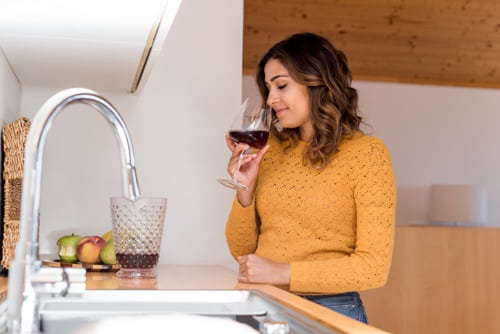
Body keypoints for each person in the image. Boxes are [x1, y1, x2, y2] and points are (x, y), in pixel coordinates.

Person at [223, 32, 396, 324]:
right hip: (263, 305)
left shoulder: (367, 155)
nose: (271, 99)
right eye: (268, 88)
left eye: (281, 85)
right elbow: (242, 252)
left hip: (330, 311)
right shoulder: (271, 150)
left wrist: (283, 272)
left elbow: (373, 268)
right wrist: (245, 189)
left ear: (318, 82)